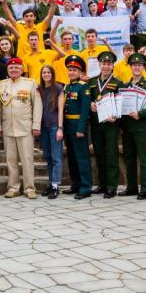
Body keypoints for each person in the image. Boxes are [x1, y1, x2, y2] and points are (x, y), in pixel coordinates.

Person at [0, 57, 43, 199]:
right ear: (7, 70)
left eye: (17, 67)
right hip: (8, 127)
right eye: (11, 68)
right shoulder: (2, 84)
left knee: (27, 159)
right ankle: (13, 187)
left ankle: (29, 188)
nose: (14, 70)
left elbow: (37, 106)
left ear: (22, 69)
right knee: (11, 159)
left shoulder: (30, 83)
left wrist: (36, 125)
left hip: (25, 128)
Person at [118, 53, 146, 199]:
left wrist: (142, 113)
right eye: (134, 65)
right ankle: (132, 187)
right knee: (129, 158)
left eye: (140, 65)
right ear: (130, 66)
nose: (137, 67)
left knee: (144, 158)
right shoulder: (125, 86)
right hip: (127, 127)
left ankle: (145, 189)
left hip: (141, 127)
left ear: (143, 67)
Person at [88, 51, 123, 198]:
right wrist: (90, 104)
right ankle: (102, 185)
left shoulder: (118, 83)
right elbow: (88, 100)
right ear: (99, 64)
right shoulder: (91, 82)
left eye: (109, 64)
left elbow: (121, 106)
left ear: (112, 65)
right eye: (103, 63)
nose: (106, 66)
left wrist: (115, 117)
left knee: (111, 154)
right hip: (96, 124)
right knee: (99, 154)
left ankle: (112, 186)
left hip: (111, 125)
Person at [62, 56, 92, 199]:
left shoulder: (83, 87)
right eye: (70, 70)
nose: (71, 72)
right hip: (68, 127)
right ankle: (76, 184)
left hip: (78, 128)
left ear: (80, 72)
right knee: (72, 158)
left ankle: (85, 187)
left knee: (81, 157)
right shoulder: (67, 87)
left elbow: (85, 110)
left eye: (74, 70)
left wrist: (81, 129)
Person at [38, 66, 65, 198]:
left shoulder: (58, 88)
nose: (46, 74)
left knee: (56, 157)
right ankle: (51, 183)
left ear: (52, 74)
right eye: (44, 72)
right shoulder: (39, 89)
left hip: (54, 126)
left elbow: (60, 109)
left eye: (49, 72)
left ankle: (55, 186)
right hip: (43, 127)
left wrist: (60, 128)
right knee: (48, 157)